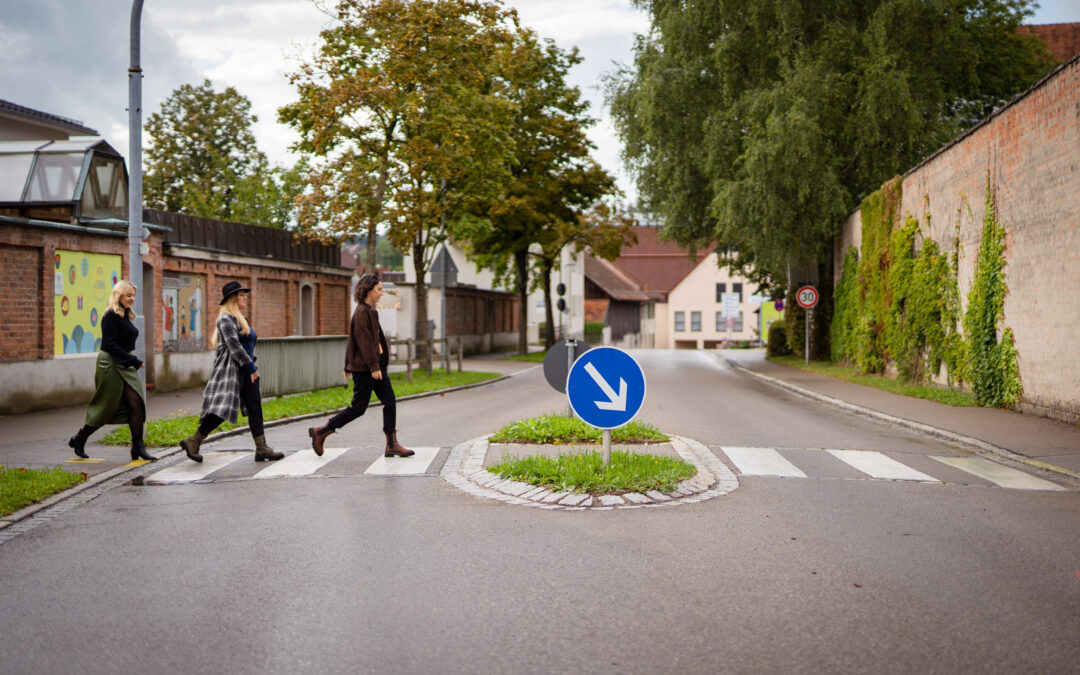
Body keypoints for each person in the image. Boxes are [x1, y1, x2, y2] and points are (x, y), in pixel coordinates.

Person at [308, 273, 414, 458]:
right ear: (368, 290)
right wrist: (373, 366)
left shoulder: (368, 311)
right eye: (379, 289)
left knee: (389, 401)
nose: (381, 293)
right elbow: (363, 341)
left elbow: (354, 341)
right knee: (358, 407)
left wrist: (351, 364)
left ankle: (391, 444)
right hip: (368, 369)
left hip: (374, 366)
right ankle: (322, 431)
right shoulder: (362, 312)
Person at [179, 281, 283, 463]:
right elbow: (234, 347)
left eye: (245, 295)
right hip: (232, 371)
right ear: (232, 299)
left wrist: (251, 367)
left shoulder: (241, 319)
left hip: (246, 369)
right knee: (222, 411)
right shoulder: (225, 319)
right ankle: (193, 441)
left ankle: (262, 448)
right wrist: (251, 368)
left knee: (255, 407)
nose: (244, 298)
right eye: (241, 295)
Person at [68, 280, 156, 462]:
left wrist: (129, 360)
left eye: (133, 295)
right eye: (128, 295)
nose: (132, 298)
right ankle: (79, 438)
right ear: (119, 296)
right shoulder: (111, 315)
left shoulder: (124, 314)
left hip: (123, 363)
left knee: (136, 404)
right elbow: (110, 344)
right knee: (106, 407)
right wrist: (133, 360)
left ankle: (138, 447)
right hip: (110, 365)